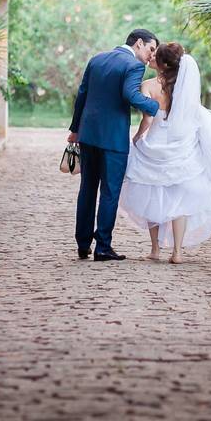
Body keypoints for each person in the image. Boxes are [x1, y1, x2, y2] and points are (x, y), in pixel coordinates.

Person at [118, 42, 211, 264]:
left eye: (156, 56)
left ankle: (155, 249)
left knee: (152, 196)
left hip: (155, 143)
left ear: (164, 64)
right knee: (180, 200)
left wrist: (137, 138)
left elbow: (147, 118)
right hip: (180, 144)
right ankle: (177, 252)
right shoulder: (185, 86)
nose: (152, 57)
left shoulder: (148, 85)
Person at [68, 29, 160, 261]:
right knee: (109, 192)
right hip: (113, 139)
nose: (151, 56)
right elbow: (129, 94)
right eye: (151, 49)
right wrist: (156, 108)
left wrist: (75, 130)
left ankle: (82, 244)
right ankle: (103, 247)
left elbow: (82, 95)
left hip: (88, 135)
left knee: (87, 189)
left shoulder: (97, 59)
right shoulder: (133, 65)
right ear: (139, 43)